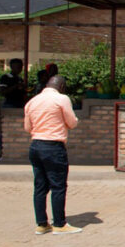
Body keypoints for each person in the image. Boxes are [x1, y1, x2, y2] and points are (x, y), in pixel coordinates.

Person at [23, 75, 80, 235]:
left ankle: (42, 224)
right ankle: (59, 224)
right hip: (53, 146)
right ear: (61, 87)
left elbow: (28, 127)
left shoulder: (32, 102)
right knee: (58, 186)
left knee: (40, 186)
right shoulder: (61, 99)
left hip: (35, 145)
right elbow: (72, 122)